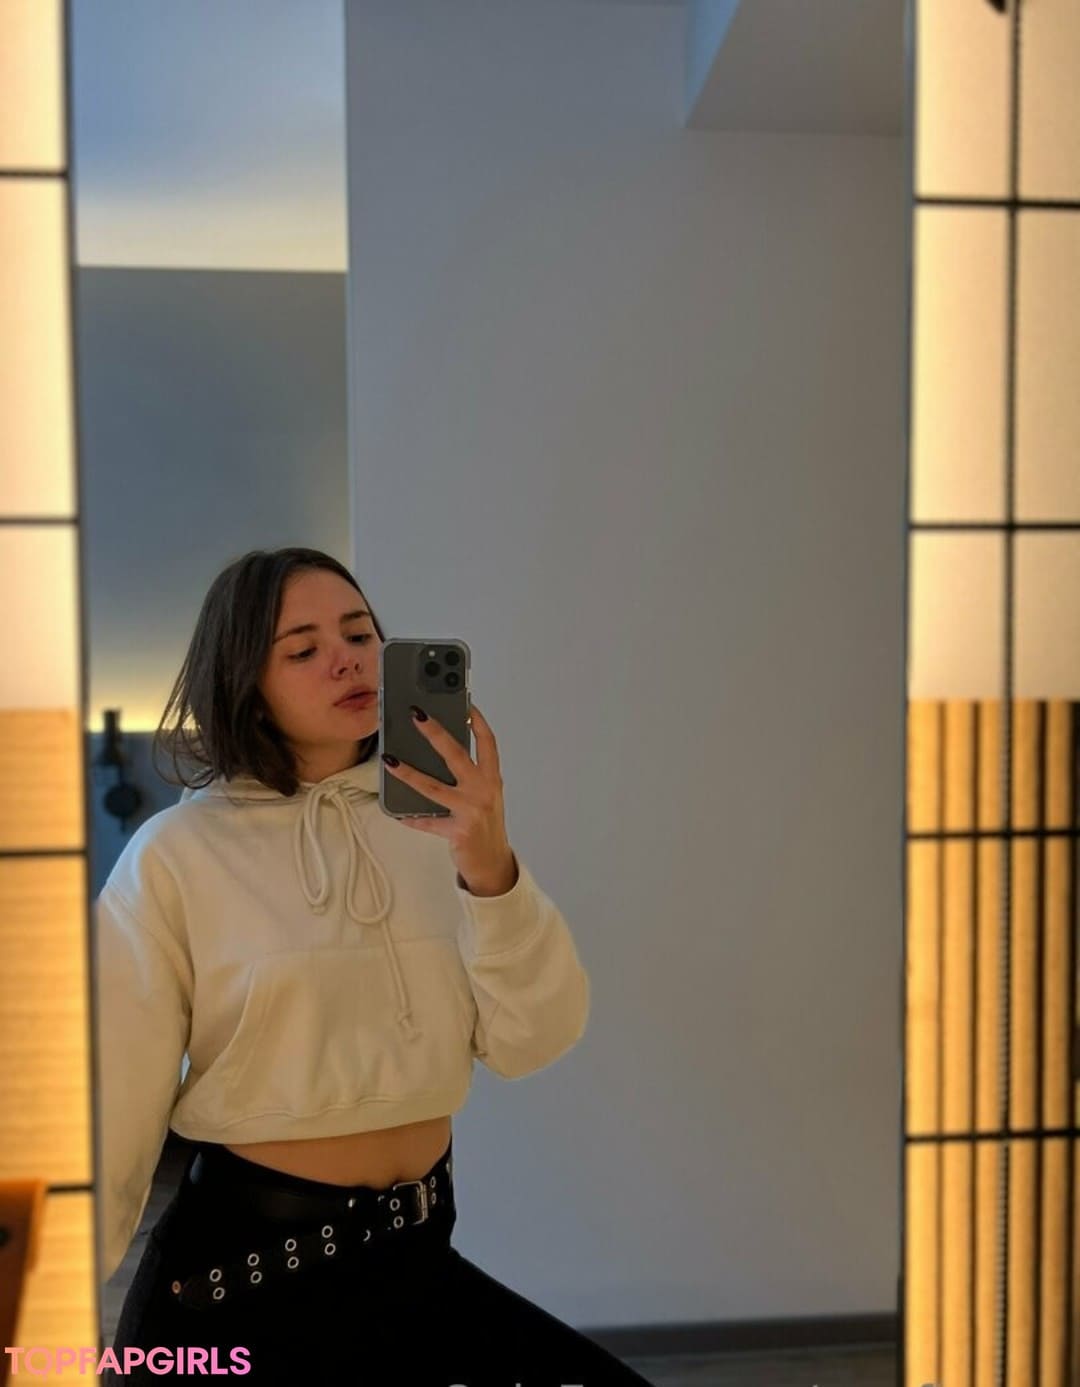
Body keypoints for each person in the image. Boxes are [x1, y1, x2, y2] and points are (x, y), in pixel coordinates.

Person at [96, 547, 652, 1385]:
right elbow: (113, 1099)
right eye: (304, 647)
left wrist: (490, 865)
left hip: (417, 1263)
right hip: (242, 1286)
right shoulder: (177, 855)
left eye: (359, 634)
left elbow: (533, 1038)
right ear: (245, 679)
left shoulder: (444, 831)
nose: (347, 659)